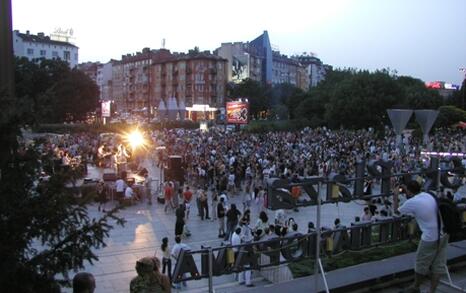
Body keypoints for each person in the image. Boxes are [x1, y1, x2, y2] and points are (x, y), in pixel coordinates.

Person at [397, 180, 449, 293]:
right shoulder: (428, 194)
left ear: (409, 191)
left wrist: (395, 195)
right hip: (444, 233)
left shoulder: (411, 202)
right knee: (438, 265)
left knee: (421, 263)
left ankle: (416, 287)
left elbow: (396, 213)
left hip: (430, 237)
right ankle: (432, 291)